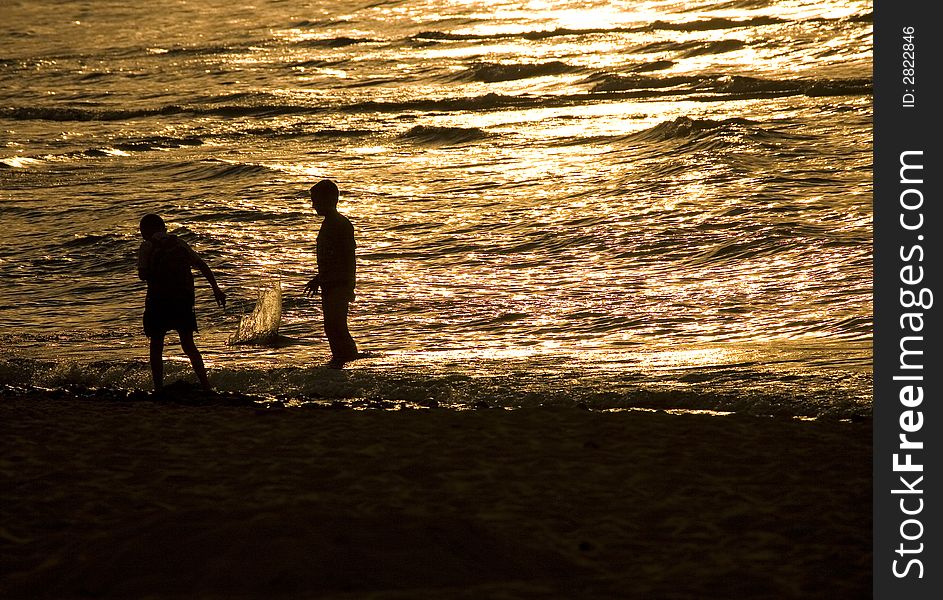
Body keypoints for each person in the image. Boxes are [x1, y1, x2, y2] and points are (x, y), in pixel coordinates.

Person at [137, 214, 226, 392]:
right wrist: (216, 288)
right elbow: (202, 265)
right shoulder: (179, 243)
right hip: (182, 301)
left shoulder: (147, 246)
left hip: (158, 302)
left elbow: (142, 275)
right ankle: (206, 386)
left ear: (145, 231)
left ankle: (159, 388)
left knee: (156, 346)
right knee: (188, 345)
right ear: (164, 227)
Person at [303, 179, 359, 365]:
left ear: (330, 199)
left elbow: (347, 258)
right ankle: (340, 359)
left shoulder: (340, 224)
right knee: (331, 327)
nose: (313, 205)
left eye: (316, 200)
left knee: (337, 326)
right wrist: (318, 279)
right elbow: (332, 259)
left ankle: (348, 359)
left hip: (339, 284)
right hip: (329, 283)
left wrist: (350, 286)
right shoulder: (329, 223)